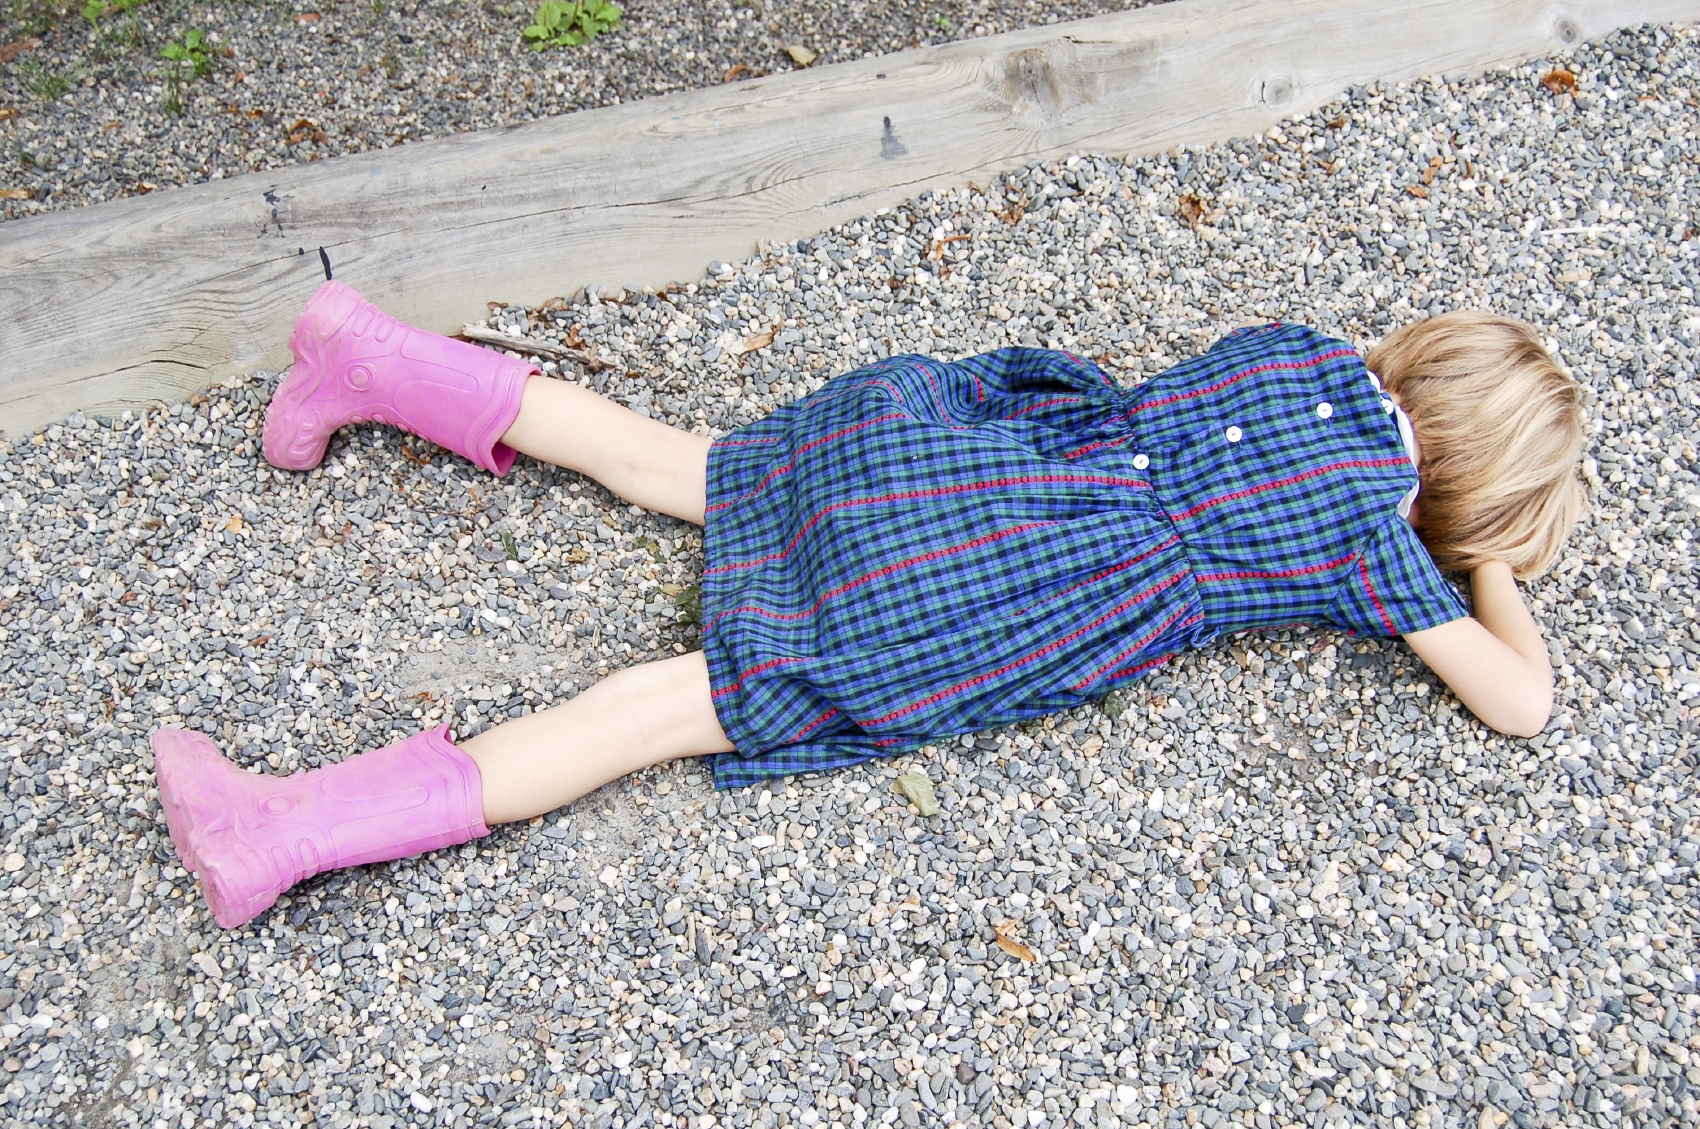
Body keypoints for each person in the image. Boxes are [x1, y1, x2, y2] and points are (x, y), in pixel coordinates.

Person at [152, 280, 1586, 929]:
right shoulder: (1369, 544)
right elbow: (1522, 702)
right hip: (977, 588)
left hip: (933, 457)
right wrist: (1486, 566)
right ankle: (287, 829)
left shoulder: (1298, 348)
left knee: (675, 459)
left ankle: (368, 358)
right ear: (1470, 495)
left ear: (1420, 355)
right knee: (660, 709)